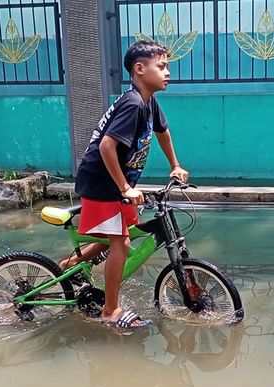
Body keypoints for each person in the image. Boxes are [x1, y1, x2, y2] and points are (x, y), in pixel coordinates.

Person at [66, 40, 189, 329]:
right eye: (161, 67)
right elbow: (108, 146)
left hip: (115, 182)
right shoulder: (133, 103)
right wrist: (125, 188)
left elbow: (163, 133)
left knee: (119, 235)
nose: (168, 72)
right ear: (139, 69)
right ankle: (110, 310)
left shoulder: (149, 101)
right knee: (120, 242)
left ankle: (68, 266)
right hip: (102, 181)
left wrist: (175, 165)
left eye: (167, 66)